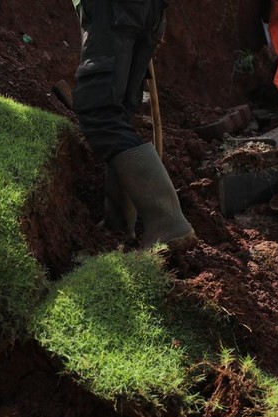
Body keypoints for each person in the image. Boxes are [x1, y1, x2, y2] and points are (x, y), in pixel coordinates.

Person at [71, 0, 196, 249]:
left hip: (114, 10)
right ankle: (118, 225)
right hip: (146, 10)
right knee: (117, 114)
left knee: (98, 109)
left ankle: (166, 221)